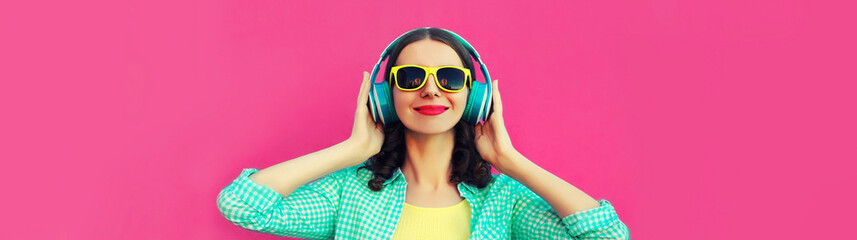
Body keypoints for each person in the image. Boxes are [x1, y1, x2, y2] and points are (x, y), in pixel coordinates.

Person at [217, 27, 630, 240]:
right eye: (411, 77)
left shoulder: (503, 202)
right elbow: (242, 205)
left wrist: (510, 161)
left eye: (449, 77)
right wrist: (351, 150)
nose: (430, 89)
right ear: (385, 95)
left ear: (475, 96)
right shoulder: (350, 194)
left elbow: (608, 235)